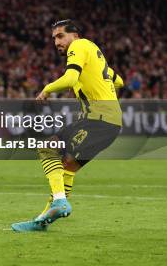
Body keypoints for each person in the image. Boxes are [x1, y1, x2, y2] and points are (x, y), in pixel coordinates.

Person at [12, 20, 125, 232]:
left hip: (98, 121)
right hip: (110, 123)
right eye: (54, 38)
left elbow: (70, 76)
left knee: (47, 148)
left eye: (60, 36)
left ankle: (59, 202)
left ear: (75, 35)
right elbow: (119, 81)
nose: (56, 41)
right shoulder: (94, 52)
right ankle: (42, 221)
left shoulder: (79, 46)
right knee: (67, 170)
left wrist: (47, 89)